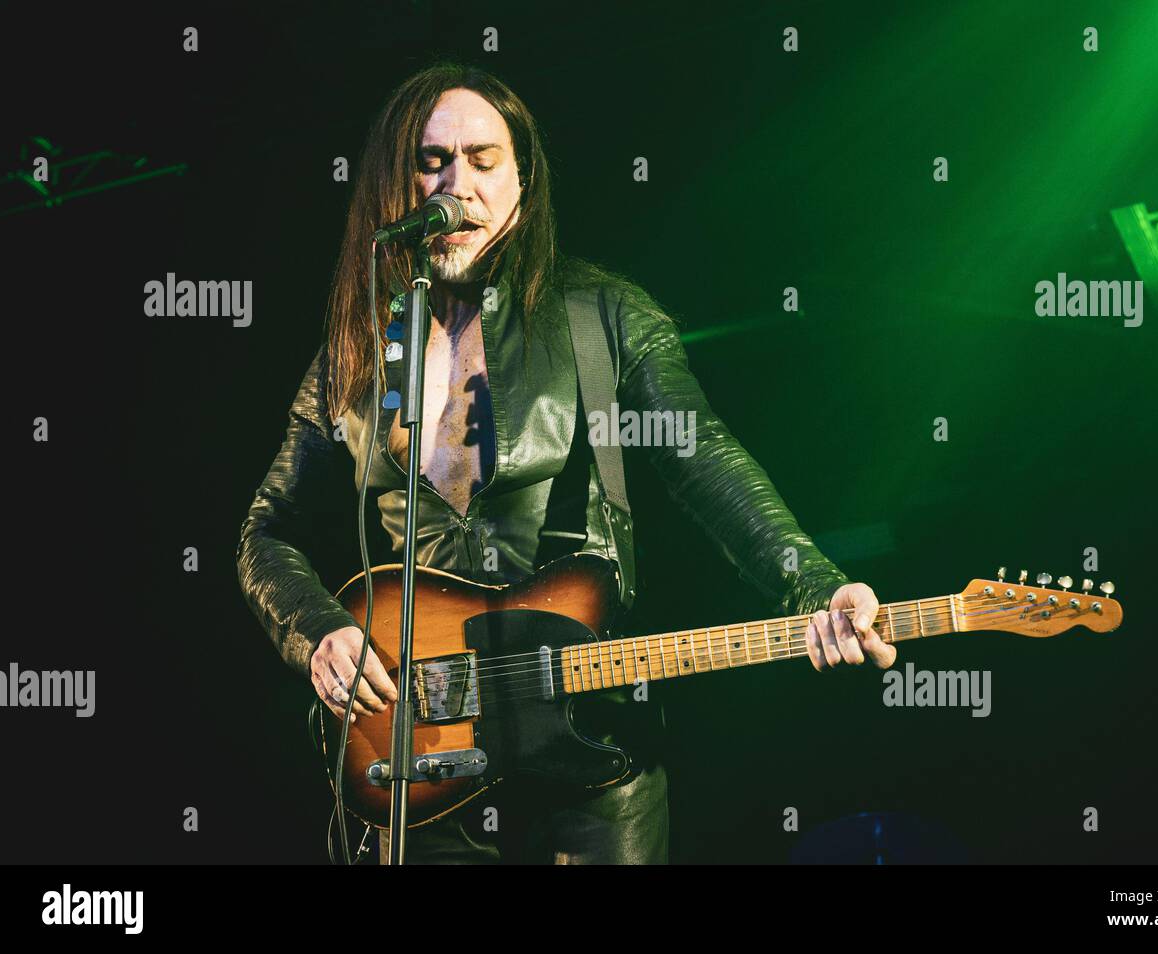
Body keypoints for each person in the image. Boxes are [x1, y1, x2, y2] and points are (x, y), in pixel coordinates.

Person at [236, 62, 896, 865]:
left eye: (483, 160)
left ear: (523, 178)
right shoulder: (355, 354)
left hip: (591, 757)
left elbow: (705, 460)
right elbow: (264, 530)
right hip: (420, 767)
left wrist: (815, 582)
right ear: (395, 182)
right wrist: (320, 633)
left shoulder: (601, 316)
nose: (459, 185)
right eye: (433, 161)